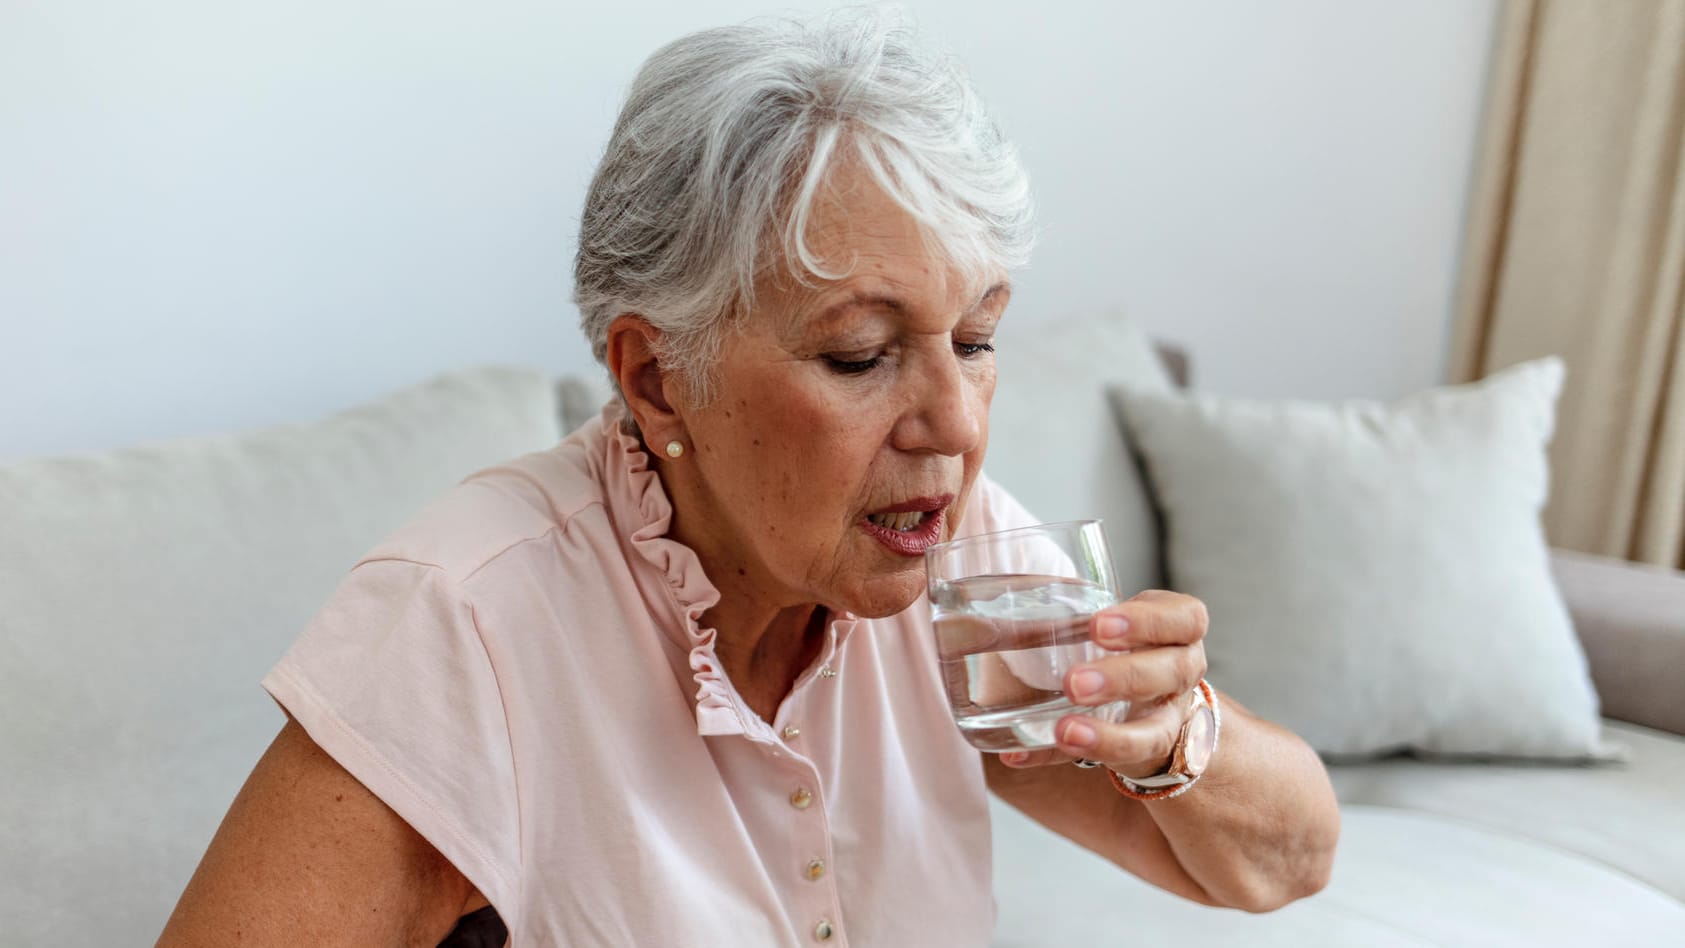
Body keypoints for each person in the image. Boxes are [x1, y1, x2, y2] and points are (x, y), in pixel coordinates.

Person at [159, 10, 1338, 945]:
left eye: (974, 341)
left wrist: (1172, 731)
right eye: (859, 355)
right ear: (659, 379)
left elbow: (1286, 861)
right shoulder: (468, 624)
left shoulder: (950, 548)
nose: (951, 423)